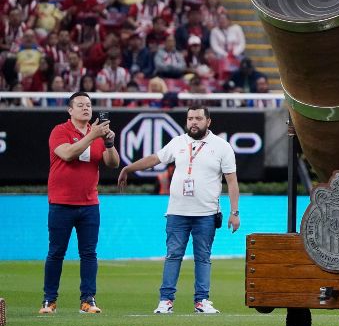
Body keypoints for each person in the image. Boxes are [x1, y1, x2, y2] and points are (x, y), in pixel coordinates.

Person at [118, 106, 240, 314]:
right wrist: (129, 168)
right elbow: (155, 159)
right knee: (173, 255)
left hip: (206, 213)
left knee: (203, 257)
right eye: (190, 118)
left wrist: (234, 212)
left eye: (198, 118)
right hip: (177, 212)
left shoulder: (222, 147)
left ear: (208, 121)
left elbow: (232, 181)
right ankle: (166, 300)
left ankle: (202, 301)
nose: (194, 122)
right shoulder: (178, 142)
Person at [39, 92, 119, 314]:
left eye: (89, 105)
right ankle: (49, 300)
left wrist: (109, 143)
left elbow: (113, 163)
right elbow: (67, 154)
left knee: (89, 254)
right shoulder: (60, 131)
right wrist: (93, 136)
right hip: (61, 202)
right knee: (56, 252)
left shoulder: (97, 134)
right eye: (81, 105)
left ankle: (88, 300)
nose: (86, 108)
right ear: (70, 110)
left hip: (89, 203)